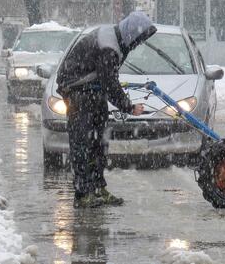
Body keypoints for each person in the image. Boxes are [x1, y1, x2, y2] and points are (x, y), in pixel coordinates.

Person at [56, 12, 157, 208]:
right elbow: (109, 82)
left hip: (93, 91)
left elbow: (107, 79)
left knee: (98, 142)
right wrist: (129, 107)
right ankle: (83, 194)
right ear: (131, 32)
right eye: (139, 38)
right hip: (78, 90)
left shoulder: (117, 41)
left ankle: (98, 188)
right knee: (82, 143)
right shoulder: (109, 46)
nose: (138, 44)